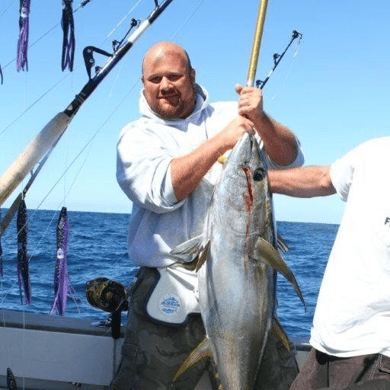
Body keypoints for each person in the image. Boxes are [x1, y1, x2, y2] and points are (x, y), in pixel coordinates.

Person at [110, 41, 304, 390]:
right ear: (143, 83)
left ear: (192, 76)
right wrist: (220, 143)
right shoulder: (136, 137)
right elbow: (160, 193)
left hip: (244, 290)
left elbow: (290, 157)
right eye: (155, 78)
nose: (165, 85)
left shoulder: (232, 115)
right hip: (168, 294)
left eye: (174, 75)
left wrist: (260, 119)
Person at [267, 137, 390, 390]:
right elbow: (323, 178)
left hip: (379, 354)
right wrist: (251, 178)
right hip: (324, 346)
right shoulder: (376, 150)